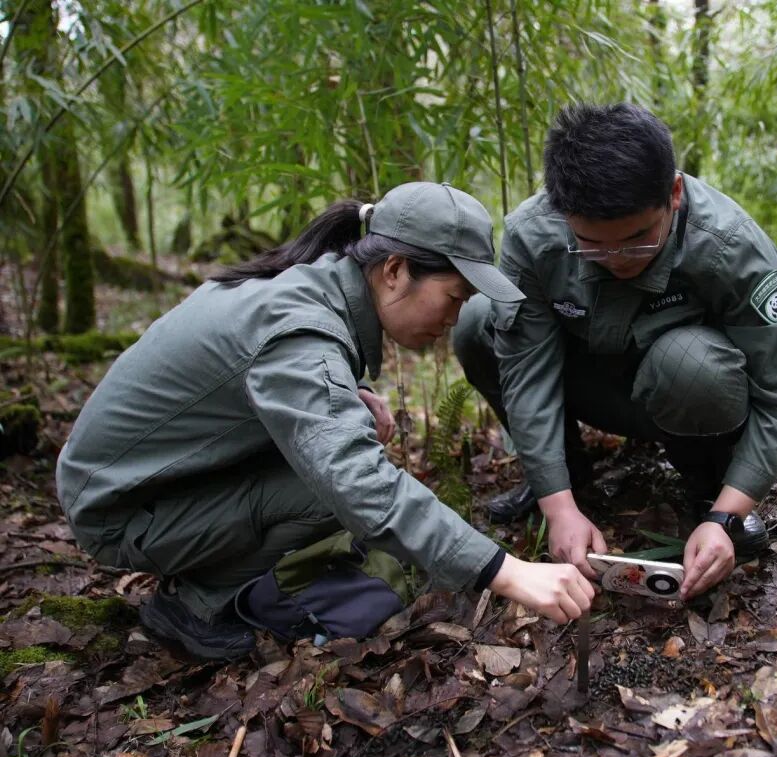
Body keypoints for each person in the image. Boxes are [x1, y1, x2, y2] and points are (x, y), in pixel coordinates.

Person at [56, 182, 595, 661]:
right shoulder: (301, 334)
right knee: (331, 491)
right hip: (117, 509)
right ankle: (193, 605)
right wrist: (507, 571)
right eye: (454, 296)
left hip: (148, 481)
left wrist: (348, 392)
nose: (455, 317)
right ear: (394, 271)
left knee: (338, 464)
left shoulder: (306, 293)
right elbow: (357, 482)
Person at [453, 103, 777, 601]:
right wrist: (560, 509)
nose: (618, 259)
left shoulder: (732, 249)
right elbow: (527, 373)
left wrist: (728, 515)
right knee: (476, 324)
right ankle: (565, 479)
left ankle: (708, 488)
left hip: (686, 394)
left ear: (675, 194)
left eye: (639, 239)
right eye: (592, 244)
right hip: (591, 383)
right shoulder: (533, 236)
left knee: (693, 363)